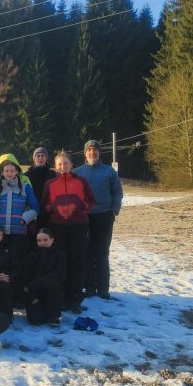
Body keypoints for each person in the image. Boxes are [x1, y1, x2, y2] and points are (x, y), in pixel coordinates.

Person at [41, 151, 96, 312]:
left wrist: (83, 208)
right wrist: (52, 208)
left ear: (71, 165)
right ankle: (62, 297)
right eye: (60, 164)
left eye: (66, 163)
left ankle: (75, 298)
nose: (63, 166)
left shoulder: (81, 181)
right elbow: (44, 204)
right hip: (58, 226)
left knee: (77, 262)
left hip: (79, 225)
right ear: (55, 166)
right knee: (61, 262)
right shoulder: (50, 183)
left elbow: (92, 200)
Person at [73, 140, 123, 300]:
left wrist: (114, 210)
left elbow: (117, 191)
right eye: (89, 150)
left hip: (104, 216)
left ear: (99, 152)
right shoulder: (77, 172)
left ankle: (103, 288)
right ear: (85, 153)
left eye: (94, 150)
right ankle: (89, 287)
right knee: (86, 252)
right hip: (84, 217)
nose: (92, 153)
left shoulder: (109, 171)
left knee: (102, 252)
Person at [0, 159, 39, 263]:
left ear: (16, 172)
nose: (9, 173)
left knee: (18, 260)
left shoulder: (25, 187)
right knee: (3, 261)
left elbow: (35, 207)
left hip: (19, 231)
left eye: (12, 171)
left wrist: (25, 219)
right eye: (6, 171)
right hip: (1, 232)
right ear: (2, 173)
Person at [23, 228, 67, 326]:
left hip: (51, 292)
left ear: (52, 239)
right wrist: (32, 296)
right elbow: (26, 276)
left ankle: (54, 315)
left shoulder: (60, 255)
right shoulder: (31, 255)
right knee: (35, 320)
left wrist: (37, 283)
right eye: (39, 240)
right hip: (34, 292)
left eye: (45, 240)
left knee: (52, 285)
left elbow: (59, 275)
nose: (42, 243)